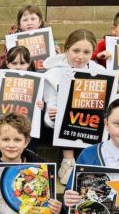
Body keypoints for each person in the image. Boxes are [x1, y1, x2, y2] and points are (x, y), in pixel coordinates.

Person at [43, 29, 105, 185]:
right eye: (76, 51)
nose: (80, 56)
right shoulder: (53, 73)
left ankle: (92, 162)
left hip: (91, 123)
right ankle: (68, 161)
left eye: (86, 52)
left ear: (93, 52)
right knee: (68, 111)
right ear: (66, 50)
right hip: (62, 126)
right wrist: (52, 114)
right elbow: (51, 101)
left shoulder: (100, 72)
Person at [0, 46, 45, 150]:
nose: (18, 67)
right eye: (14, 63)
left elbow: (41, 110)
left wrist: (42, 106)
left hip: (28, 129)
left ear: (29, 63)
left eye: (22, 63)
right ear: (7, 63)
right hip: (4, 128)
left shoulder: (37, 81)